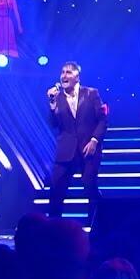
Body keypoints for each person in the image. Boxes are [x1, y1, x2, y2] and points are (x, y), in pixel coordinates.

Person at [45, 62, 107, 222]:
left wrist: (94, 141)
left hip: (88, 150)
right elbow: (53, 124)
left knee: (90, 188)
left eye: (68, 72)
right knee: (56, 189)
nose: (64, 76)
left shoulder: (91, 93)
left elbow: (102, 120)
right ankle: (53, 227)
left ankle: (97, 224)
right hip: (66, 151)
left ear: (77, 77)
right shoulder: (57, 98)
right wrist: (52, 104)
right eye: (62, 72)